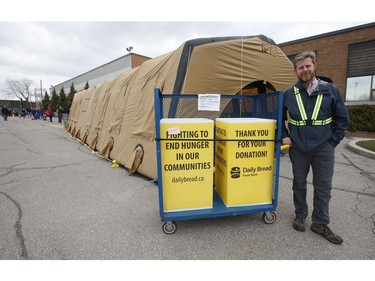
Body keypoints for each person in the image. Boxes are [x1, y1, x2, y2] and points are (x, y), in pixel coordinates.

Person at [282, 51, 349, 245]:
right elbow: (279, 118)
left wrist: (333, 142)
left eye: (307, 66)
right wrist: (284, 136)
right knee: (299, 184)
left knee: (323, 187)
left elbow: (342, 119)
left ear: (315, 66)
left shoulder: (330, 90)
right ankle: (300, 216)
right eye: (300, 67)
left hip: (323, 148)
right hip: (298, 148)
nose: (304, 70)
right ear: (296, 70)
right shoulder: (289, 93)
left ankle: (320, 224)